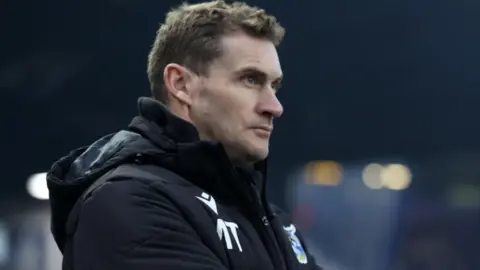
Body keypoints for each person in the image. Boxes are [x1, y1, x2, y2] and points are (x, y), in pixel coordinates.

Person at [47, 1, 323, 269]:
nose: (274, 107)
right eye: (251, 80)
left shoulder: (269, 219)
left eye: (274, 86)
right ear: (181, 85)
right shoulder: (127, 201)